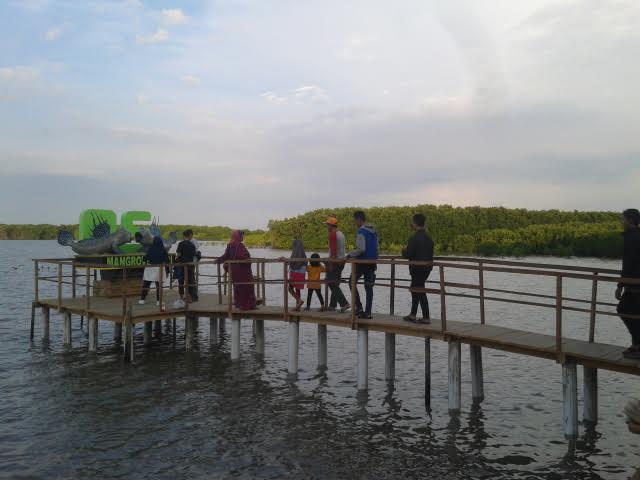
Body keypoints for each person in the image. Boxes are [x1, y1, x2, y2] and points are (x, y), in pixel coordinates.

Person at [616, 208, 640, 359]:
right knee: (632, 313)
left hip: (635, 283)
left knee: (625, 310)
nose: (621, 222)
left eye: (623, 219)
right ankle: (636, 344)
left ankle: (637, 345)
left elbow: (629, 264)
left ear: (630, 220)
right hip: (634, 282)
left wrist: (620, 286)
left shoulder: (632, 238)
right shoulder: (635, 236)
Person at [401, 213, 434, 324]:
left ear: (415, 223)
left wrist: (403, 250)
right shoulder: (429, 238)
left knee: (419, 291)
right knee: (415, 289)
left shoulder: (413, 238)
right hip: (427, 269)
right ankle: (413, 314)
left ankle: (426, 317)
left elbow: (408, 254)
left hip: (416, 269)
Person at [346, 210, 379, 319]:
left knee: (351, 282)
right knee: (369, 287)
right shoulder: (374, 231)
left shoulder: (361, 231)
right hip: (372, 262)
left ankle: (359, 308)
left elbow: (361, 249)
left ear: (359, 219)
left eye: (355, 220)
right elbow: (376, 247)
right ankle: (368, 312)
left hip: (362, 262)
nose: (355, 223)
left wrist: (350, 254)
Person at [216, 230, 257, 310]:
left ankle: (239, 304)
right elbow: (243, 257)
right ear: (238, 236)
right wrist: (248, 259)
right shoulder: (239, 246)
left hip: (235, 271)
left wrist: (218, 260)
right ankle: (246, 306)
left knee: (238, 287)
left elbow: (225, 256)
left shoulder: (230, 245)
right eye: (241, 235)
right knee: (246, 287)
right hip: (242, 271)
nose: (243, 237)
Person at [324, 216, 350, 312]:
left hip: (335, 262)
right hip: (342, 261)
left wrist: (330, 263)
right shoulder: (341, 234)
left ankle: (344, 303)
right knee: (335, 283)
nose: (327, 227)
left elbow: (333, 251)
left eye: (327, 225)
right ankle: (332, 305)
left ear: (331, 225)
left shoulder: (332, 234)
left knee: (331, 282)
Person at [139, 236, 169, 306]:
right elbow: (167, 261)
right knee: (159, 286)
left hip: (150, 268)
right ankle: (159, 301)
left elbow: (145, 259)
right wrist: (167, 271)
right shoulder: (163, 249)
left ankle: (142, 300)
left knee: (146, 284)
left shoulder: (150, 249)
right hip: (159, 268)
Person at [173, 230, 198, 308]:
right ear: (190, 235)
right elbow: (194, 256)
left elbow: (178, 254)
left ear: (184, 236)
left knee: (181, 282)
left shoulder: (180, 244)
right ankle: (189, 298)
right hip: (189, 266)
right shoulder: (192, 245)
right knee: (189, 281)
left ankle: (181, 297)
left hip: (181, 265)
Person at [288, 238, 307, 311]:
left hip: (294, 273)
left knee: (290, 288)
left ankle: (299, 301)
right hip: (301, 274)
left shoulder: (294, 253)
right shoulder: (303, 254)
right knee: (298, 289)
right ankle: (298, 306)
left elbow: (291, 263)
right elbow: (305, 263)